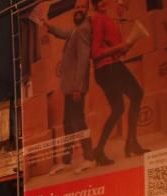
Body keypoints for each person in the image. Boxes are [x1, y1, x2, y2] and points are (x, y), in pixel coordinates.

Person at [89, 0, 145, 165]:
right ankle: (130, 143)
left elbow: (116, 53)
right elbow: (96, 53)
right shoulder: (99, 19)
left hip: (110, 67)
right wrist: (120, 46)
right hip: (107, 69)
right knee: (135, 96)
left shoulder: (110, 21)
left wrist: (126, 46)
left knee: (121, 106)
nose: (121, 7)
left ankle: (104, 149)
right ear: (96, 4)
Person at [44, 1, 94, 172]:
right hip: (70, 87)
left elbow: (83, 60)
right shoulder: (76, 30)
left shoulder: (83, 30)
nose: (79, 10)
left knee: (78, 121)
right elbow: (64, 33)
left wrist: (78, 87)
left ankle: (89, 157)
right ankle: (67, 160)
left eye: (82, 8)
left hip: (75, 87)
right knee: (69, 123)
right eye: (77, 7)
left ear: (87, 11)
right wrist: (49, 27)